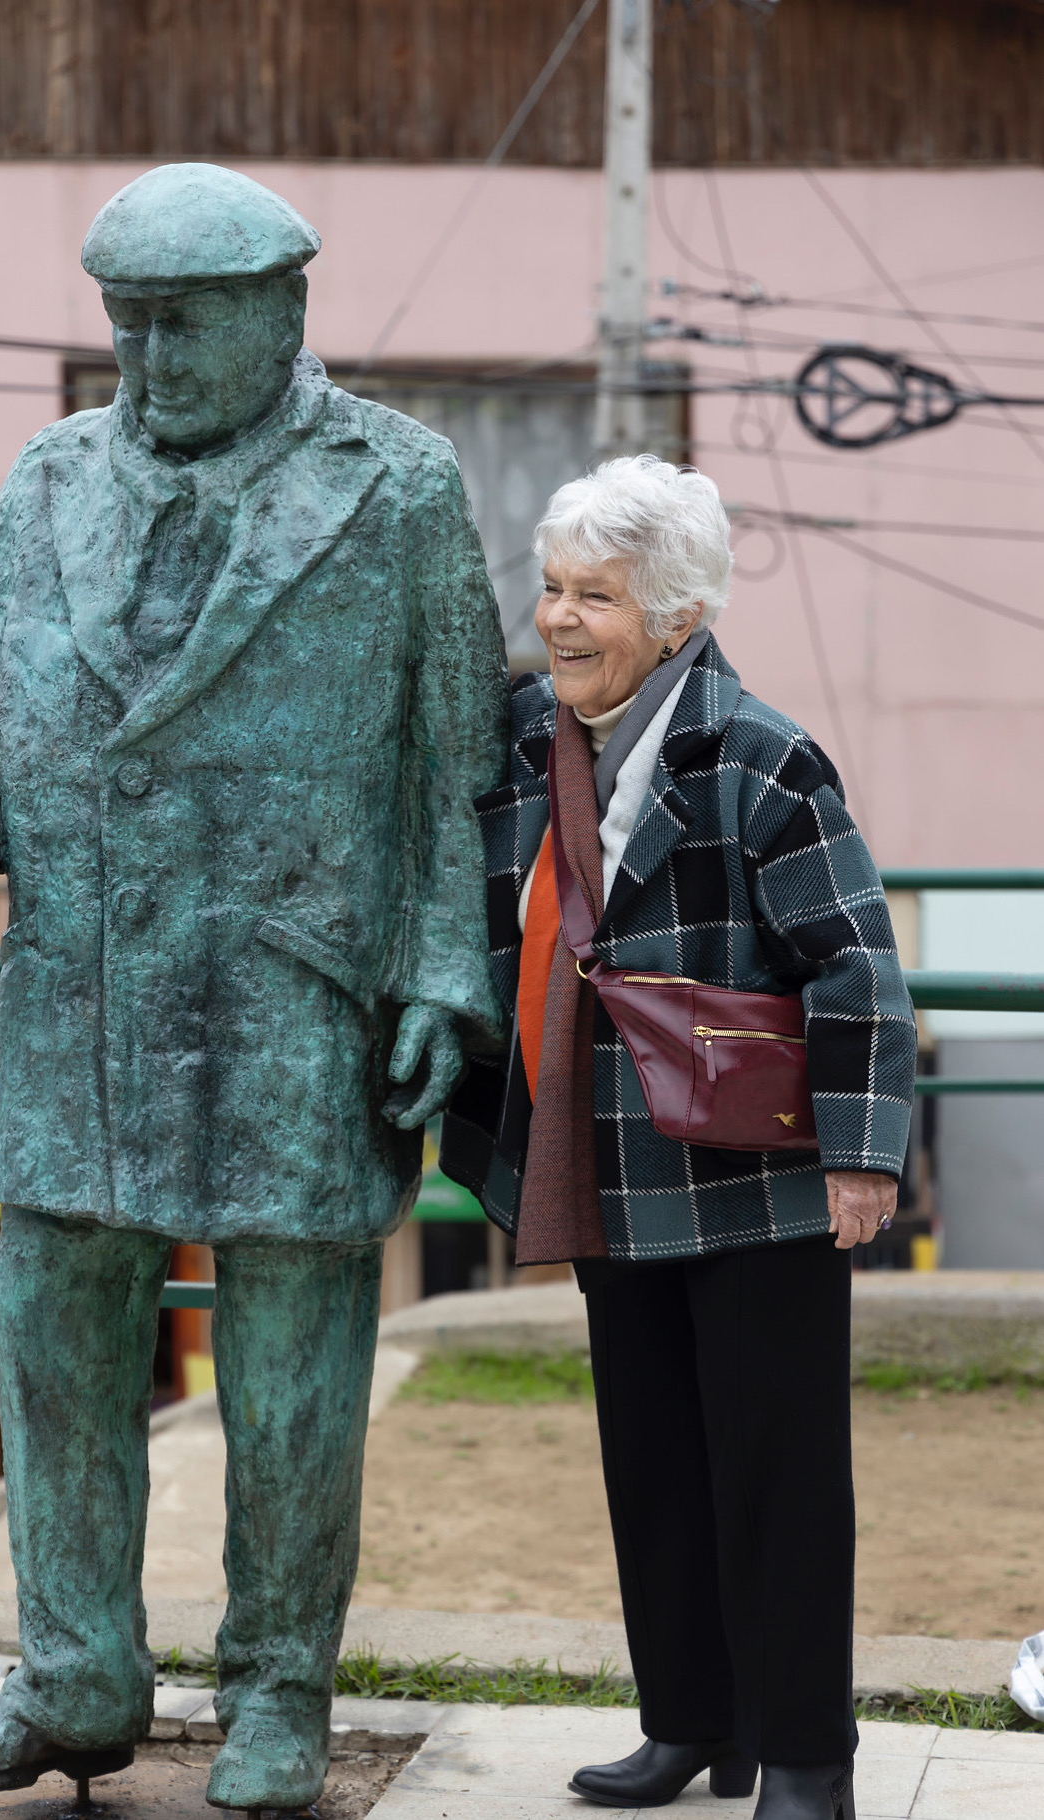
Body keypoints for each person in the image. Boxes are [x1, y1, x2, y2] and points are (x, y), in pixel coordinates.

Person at [0, 162, 507, 1802]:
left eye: (178, 326)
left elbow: (455, 757)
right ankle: (76, 1678)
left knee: (292, 1348)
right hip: (81, 979)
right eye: (124, 327)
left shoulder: (399, 485)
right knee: (55, 1324)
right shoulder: (50, 472)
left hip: (293, 977)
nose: (142, 363)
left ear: (282, 312)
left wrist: (447, 965)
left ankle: (278, 1692)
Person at [442, 455, 915, 1820]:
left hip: (756, 1171)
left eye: (597, 596)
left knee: (774, 1472)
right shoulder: (527, 739)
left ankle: (808, 1757)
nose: (560, 620)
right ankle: (691, 1725)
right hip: (604, 1157)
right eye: (549, 589)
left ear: (678, 615)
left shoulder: (756, 755)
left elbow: (854, 966)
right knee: (650, 1457)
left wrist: (861, 1154)